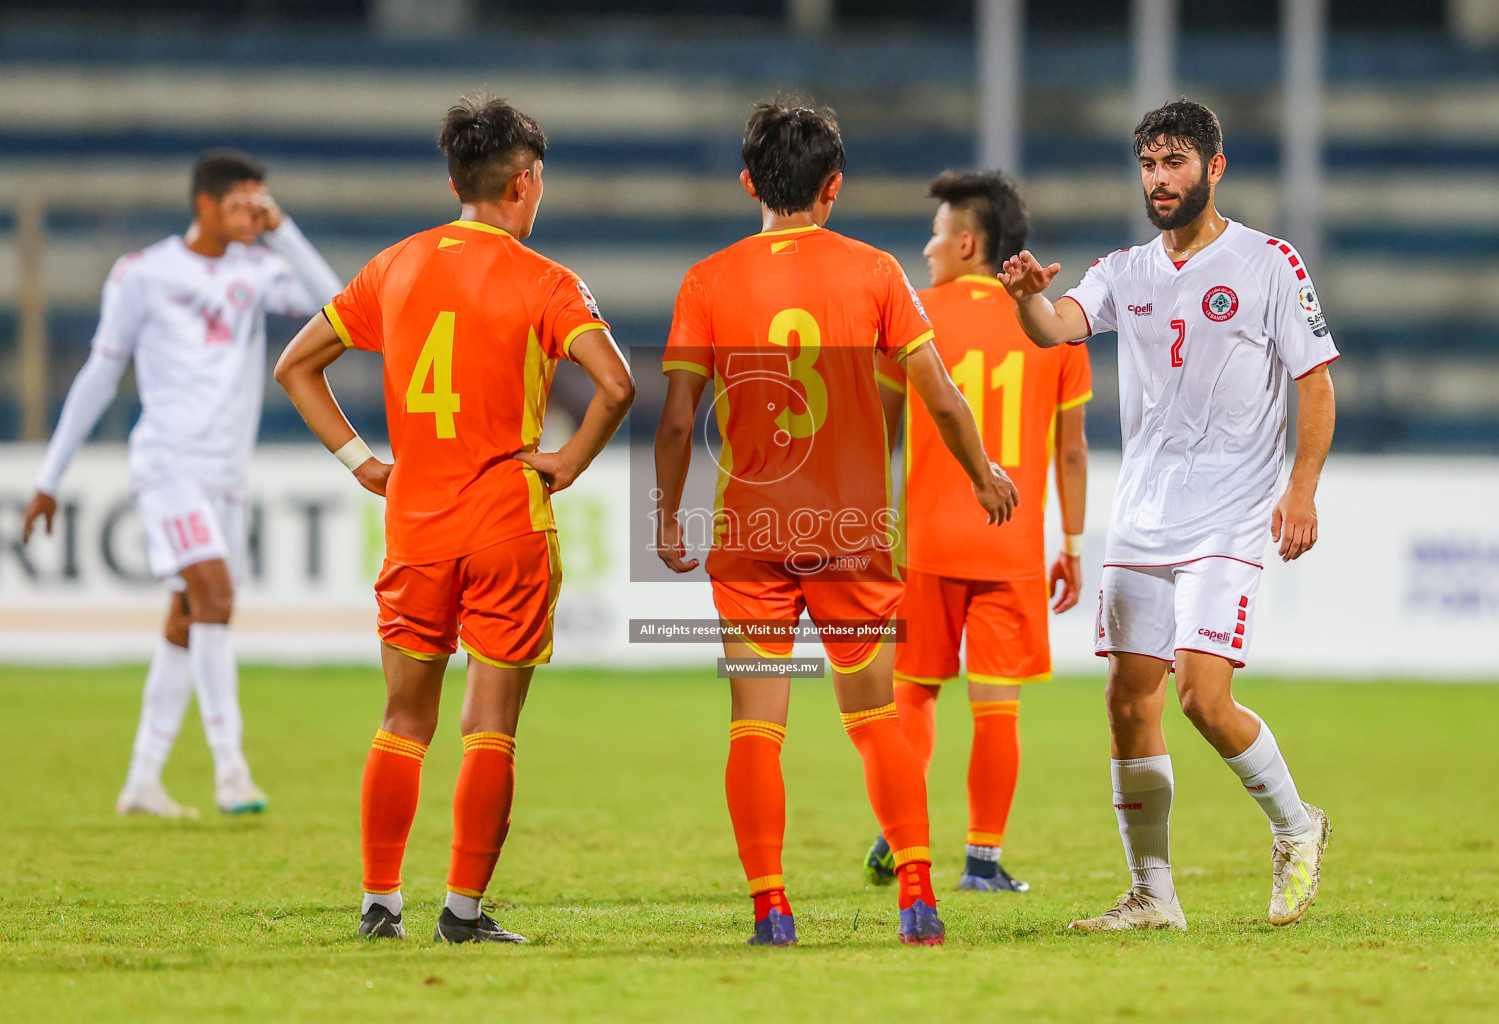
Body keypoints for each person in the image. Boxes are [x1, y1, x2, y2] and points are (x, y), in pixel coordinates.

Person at [653, 102, 1018, 947]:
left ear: (749, 183)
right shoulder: (877, 272)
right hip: (850, 530)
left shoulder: (708, 279)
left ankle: (772, 910)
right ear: (834, 187)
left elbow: (677, 423)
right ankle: (918, 897)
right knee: (876, 719)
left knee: (755, 726)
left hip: (749, 532)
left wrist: (668, 519)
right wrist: (983, 472)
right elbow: (940, 395)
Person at [274, 94, 634, 943]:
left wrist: (363, 463)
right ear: (525, 181)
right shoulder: (545, 281)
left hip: (417, 523)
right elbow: (617, 385)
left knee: (403, 719)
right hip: (508, 523)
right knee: (490, 726)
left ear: (453, 180)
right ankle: (462, 914)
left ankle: (378, 902)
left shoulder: (393, 265)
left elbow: (295, 367)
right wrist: (569, 461)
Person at [999, 99, 1338, 930]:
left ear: (1213, 169)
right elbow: (1057, 328)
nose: (1160, 179)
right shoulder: (1125, 270)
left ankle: (1298, 826)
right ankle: (1154, 893)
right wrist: (1024, 300)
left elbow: (1316, 383)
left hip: (1227, 516)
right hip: (1143, 517)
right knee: (1128, 700)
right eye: (1149, 164)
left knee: (1201, 697)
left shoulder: (1269, 262)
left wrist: (1301, 489)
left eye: (1176, 162)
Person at [23, 149, 341, 818]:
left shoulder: (258, 271)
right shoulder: (144, 273)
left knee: (185, 617)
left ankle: (142, 780)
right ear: (204, 205)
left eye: (261, 202)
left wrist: (281, 228)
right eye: (242, 204)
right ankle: (232, 770)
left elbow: (337, 306)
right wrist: (51, 476)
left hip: (227, 473)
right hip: (168, 464)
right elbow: (100, 374)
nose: (252, 214)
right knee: (216, 597)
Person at [864, 171, 1091, 893]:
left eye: (936, 233)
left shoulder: (915, 314)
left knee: (914, 695)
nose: (928, 248)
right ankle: (983, 863)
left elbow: (879, 435)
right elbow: (1073, 450)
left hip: (926, 543)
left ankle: (902, 833)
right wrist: (1074, 546)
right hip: (1013, 544)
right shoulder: (1053, 323)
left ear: (967, 242)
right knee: (997, 707)